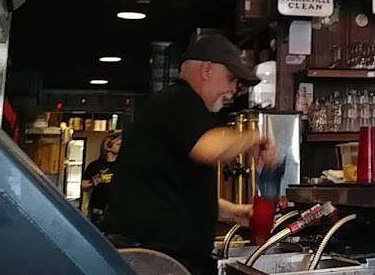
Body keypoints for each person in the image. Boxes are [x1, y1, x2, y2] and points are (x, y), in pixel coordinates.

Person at [107, 34, 277, 275]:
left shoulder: (178, 107)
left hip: (160, 258)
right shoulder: (180, 100)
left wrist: (234, 213)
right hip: (154, 260)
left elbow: (176, 194)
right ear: (207, 70)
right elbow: (207, 148)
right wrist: (255, 138)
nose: (232, 90)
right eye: (230, 79)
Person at [82, 133, 121, 230]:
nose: (121, 147)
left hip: (117, 210)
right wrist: (93, 183)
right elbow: (83, 186)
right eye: (118, 144)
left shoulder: (123, 165)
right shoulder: (95, 165)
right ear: (108, 146)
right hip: (98, 209)